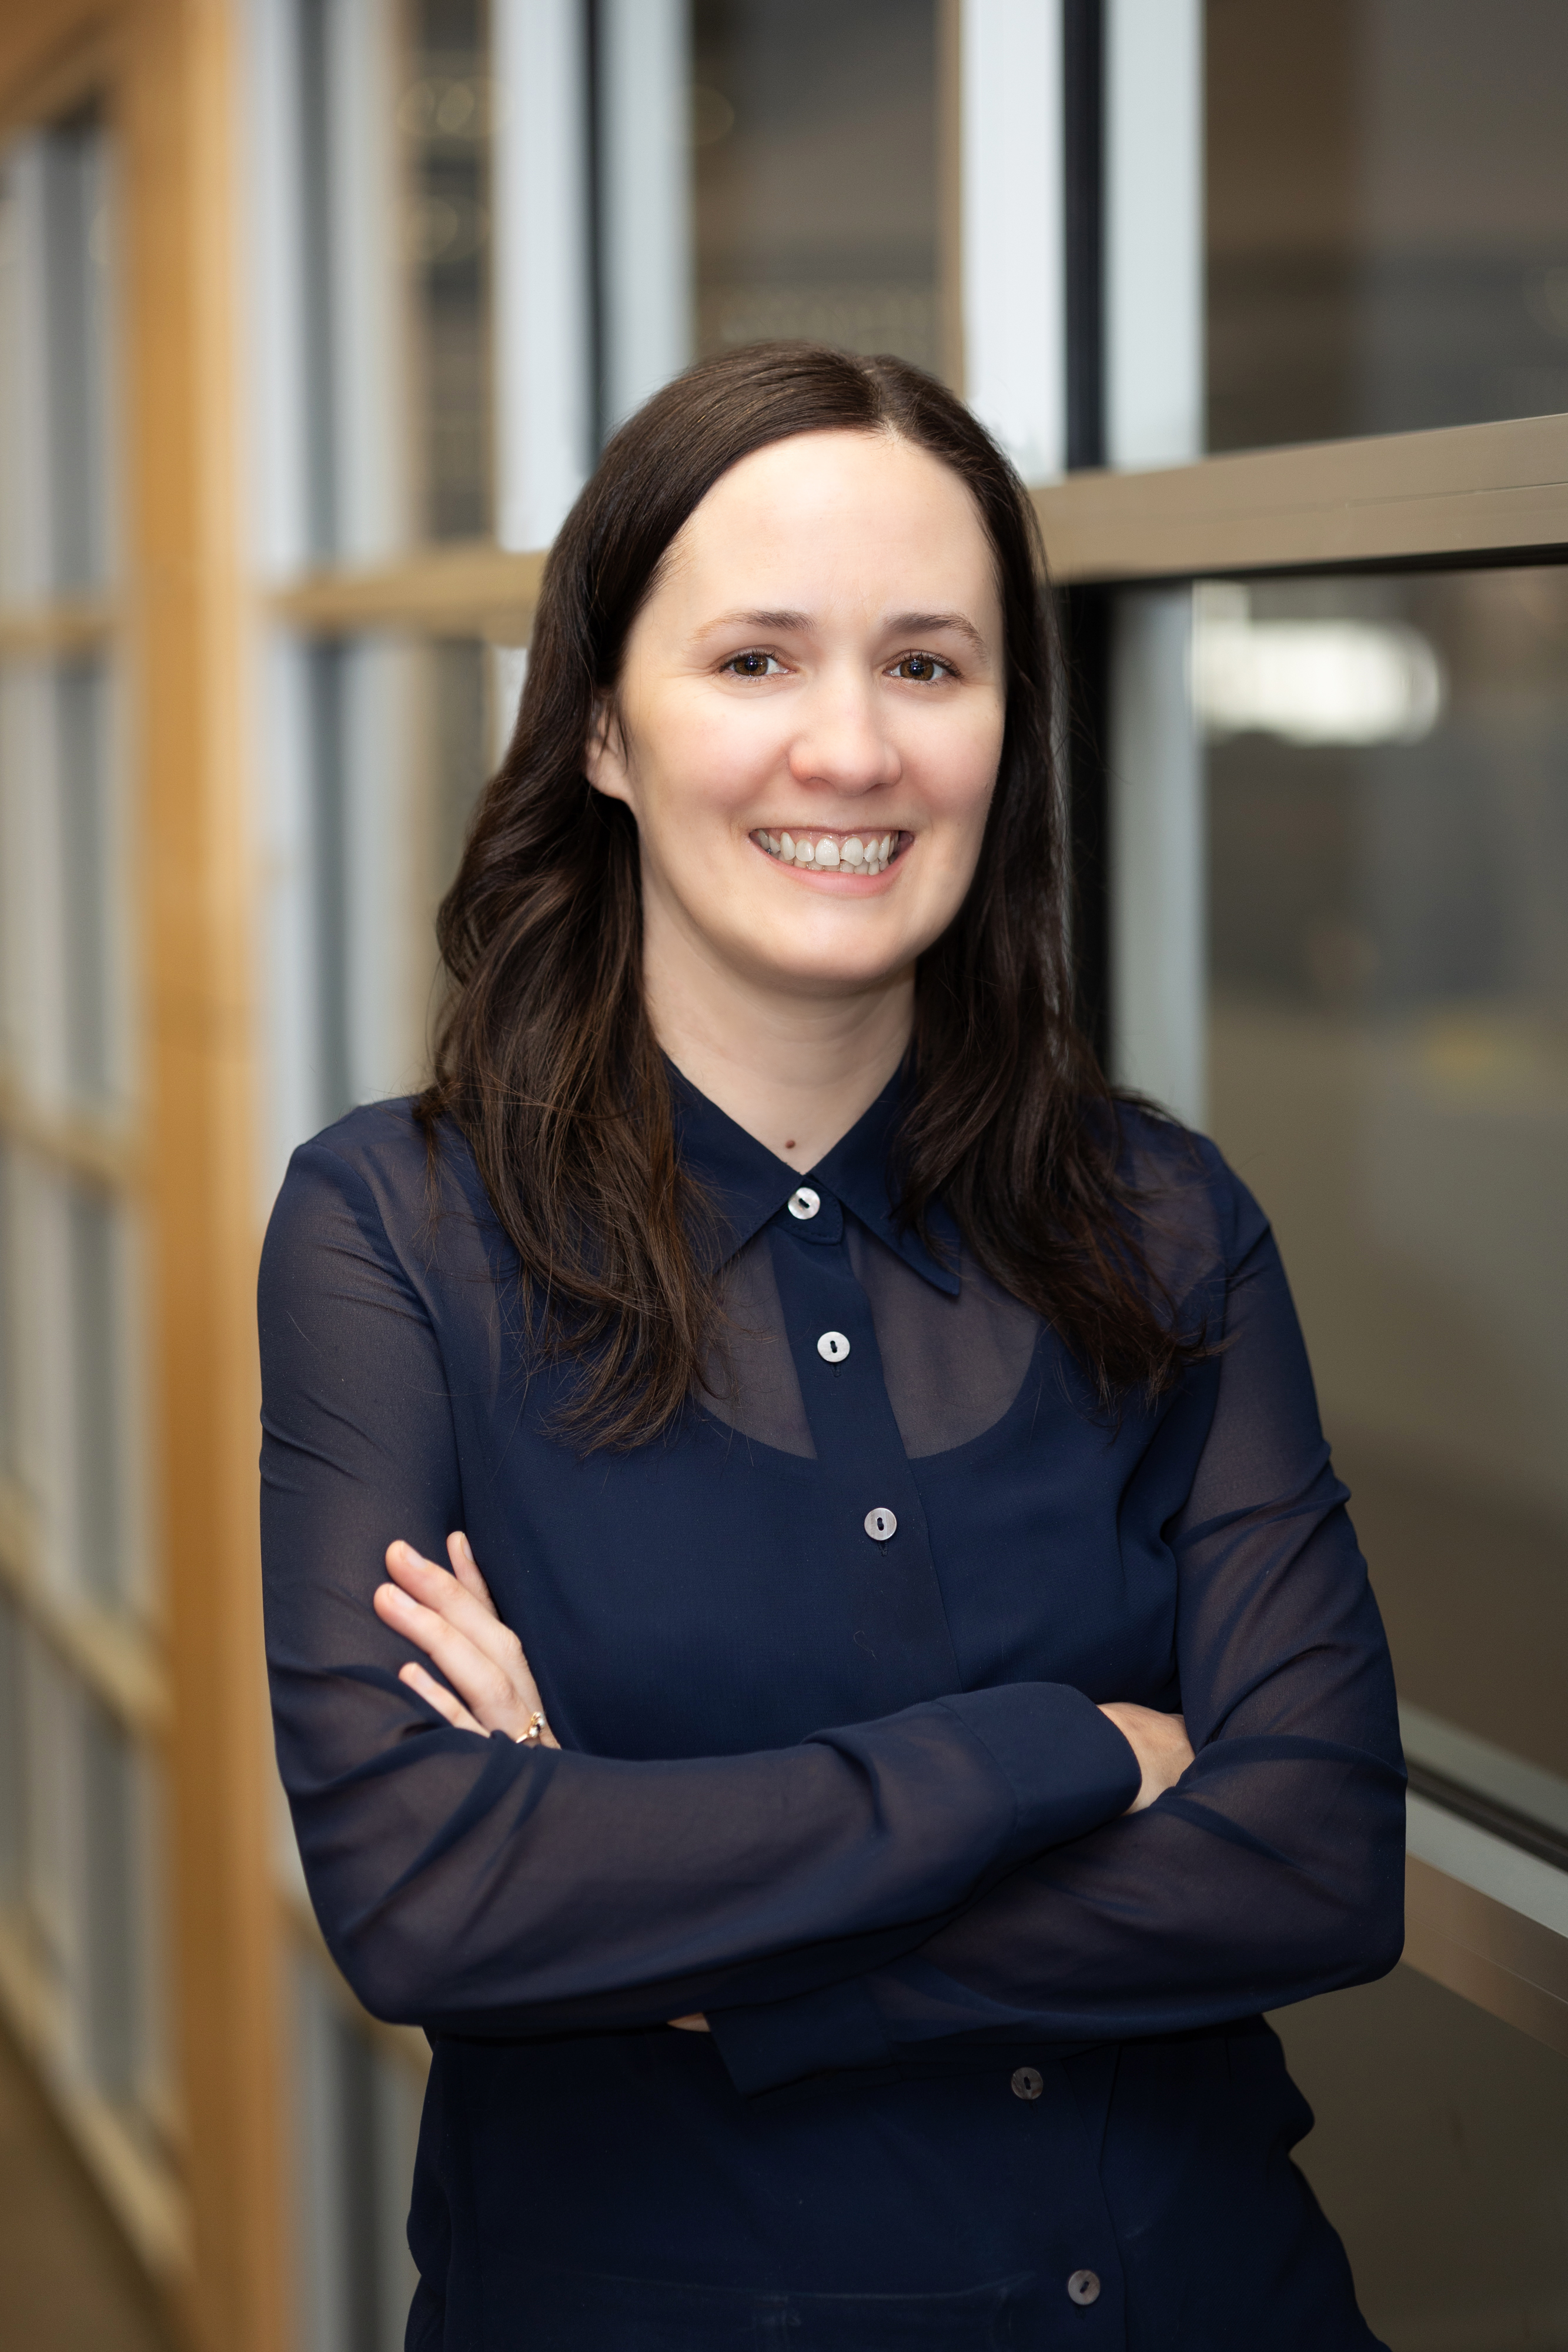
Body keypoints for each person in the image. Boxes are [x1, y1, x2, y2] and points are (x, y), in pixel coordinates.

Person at [259, 341, 1405, 2351]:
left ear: (1001, 731)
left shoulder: (1166, 1221)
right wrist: (1071, 1754)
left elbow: (1313, 1857)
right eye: (758, 661)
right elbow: (429, 1897)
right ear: (601, 725)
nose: (853, 750)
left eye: (929, 666)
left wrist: (686, 1923)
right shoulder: (397, 1232)